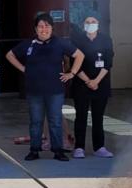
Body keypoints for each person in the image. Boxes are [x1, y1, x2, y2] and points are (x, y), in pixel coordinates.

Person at [6, 13, 83, 162]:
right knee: (36, 122)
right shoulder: (28, 44)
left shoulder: (60, 43)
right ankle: (34, 150)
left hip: (55, 91)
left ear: (52, 28)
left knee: (55, 121)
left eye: (47, 26)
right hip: (34, 91)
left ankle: (58, 150)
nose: (44, 29)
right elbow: (9, 55)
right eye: (40, 26)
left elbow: (80, 55)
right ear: (35, 28)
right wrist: (23, 69)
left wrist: (72, 73)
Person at [71, 13, 114, 159]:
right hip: (81, 84)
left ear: (98, 24)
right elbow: (74, 63)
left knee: (98, 117)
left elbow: (108, 62)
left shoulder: (106, 39)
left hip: (101, 84)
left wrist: (96, 81)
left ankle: (99, 147)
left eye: (93, 21)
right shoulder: (77, 40)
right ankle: (79, 147)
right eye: (87, 22)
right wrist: (88, 81)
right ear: (83, 25)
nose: (90, 24)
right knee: (81, 116)